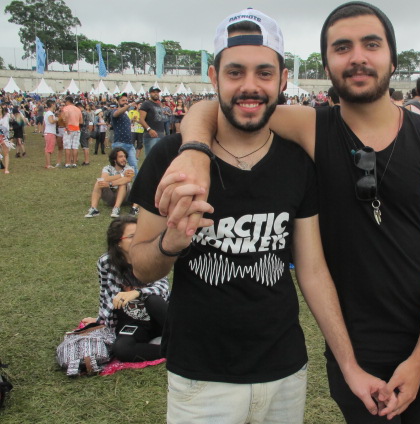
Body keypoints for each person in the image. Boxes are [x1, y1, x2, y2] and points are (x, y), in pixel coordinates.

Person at [154, 2, 420, 422]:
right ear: (327, 63)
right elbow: (219, 107)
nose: (357, 57)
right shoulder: (312, 126)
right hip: (354, 345)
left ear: (392, 55)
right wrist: (194, 150)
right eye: (341, 47)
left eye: (371, 44)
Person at [129, 8, 388, 423]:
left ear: (283, 80)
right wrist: (170, 244)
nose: (250, 87)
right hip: (200, 377)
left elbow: (313, 271)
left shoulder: (299, 162)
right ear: (213, 78)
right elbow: (139, 268)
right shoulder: (170, 158)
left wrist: (350, 364)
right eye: (235, 73)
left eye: (264, 73)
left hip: (285, 370)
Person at [81, 216, 169, 362]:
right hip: (133, 321)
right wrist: (100, 321)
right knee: (121, 349)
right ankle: (171, 351)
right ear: (118, 242)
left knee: (152, 300)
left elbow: (163, 287)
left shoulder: (151, 256)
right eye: (132, 236)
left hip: (160, 317)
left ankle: (180, 339)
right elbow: (107, 295)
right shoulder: (106, 262)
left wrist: (137, 293)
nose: (139, 239)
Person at [84, 147, 135, 218]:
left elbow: (127, 179)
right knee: (99, 182)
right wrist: (122, 175)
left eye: (124, 156)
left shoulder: (129, 168)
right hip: (110, 196)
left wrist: (110, 183)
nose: (124, 159)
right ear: (114, 159)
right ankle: (94, 209)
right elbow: (104, 178)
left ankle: (116, 208)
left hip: (124, 197)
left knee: (122, 184)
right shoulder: (107, 168)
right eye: (121, 157)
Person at [110, 93, 138, 173]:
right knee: (119, 167)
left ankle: (137, 185)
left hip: (129, 144)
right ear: (118, 102)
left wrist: (131, 120)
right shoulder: (115, 111)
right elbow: (116, 114)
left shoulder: (126, 114)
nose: (125, 102)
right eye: (123, 100)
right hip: (119, 143)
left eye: (126, 100)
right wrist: (128, 105)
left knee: (134, 166)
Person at [138, 87, 165, 155]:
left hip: (160, 134)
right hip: (151, 136)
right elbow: (141, 119)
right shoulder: (146, 104)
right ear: (150, 93)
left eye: (157, 92)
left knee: (160, 158)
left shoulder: (158, 105)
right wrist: (149, 129)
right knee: (151, 158)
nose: (156, 94)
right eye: (154, 92)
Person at [61, 96, 83, 168]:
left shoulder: (66, 108)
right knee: (75, 146)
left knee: (68, 146)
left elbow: (65, 118)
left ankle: (67, 163)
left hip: (69, 128)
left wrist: (66, 126)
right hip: (77, 128)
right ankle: (74, 163)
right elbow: (81, 121)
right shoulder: (78, 109)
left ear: (67, 101)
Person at [43, 100, 57, 169]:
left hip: (48, 132)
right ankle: (48, 164)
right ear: (52, 104)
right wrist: (57, 119)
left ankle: (48, 163)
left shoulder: (47, 113)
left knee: (48, 148)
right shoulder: (49, 113)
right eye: (54, 104)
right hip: (50, 132)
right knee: (48, 149)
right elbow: (51, 121)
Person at [0, 105, 11, 174]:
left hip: (3, 137)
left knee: (6, 153)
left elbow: (5, 128)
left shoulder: (5, 118)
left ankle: (6, 169)